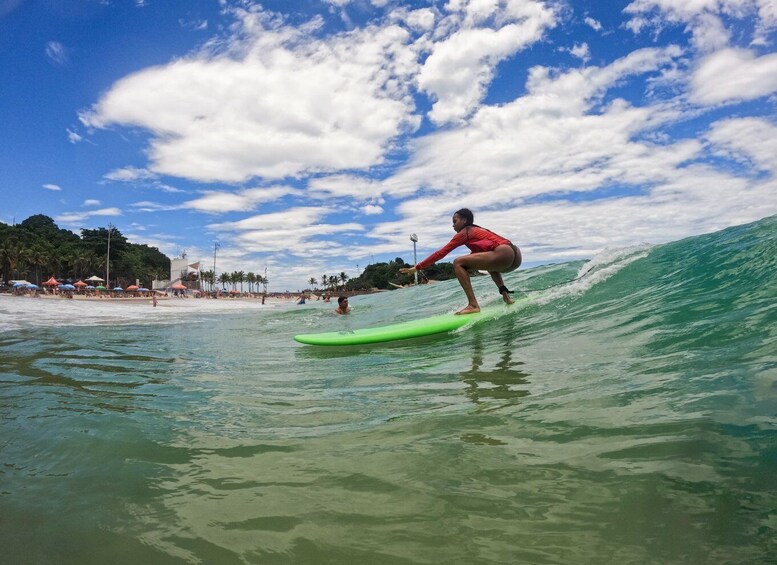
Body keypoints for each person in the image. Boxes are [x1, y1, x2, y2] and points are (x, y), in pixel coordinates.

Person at [400, 208, 521, 315]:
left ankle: (473, 305)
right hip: (515, 255)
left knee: (458, 262)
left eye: (455, 221)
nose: (453, 226)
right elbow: (485, 258)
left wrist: (418, 267)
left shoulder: (466, 232)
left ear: (464, 220)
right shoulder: (479, 230)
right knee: (488, 265)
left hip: (503, 254)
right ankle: (506, 297)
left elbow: (440, 253)